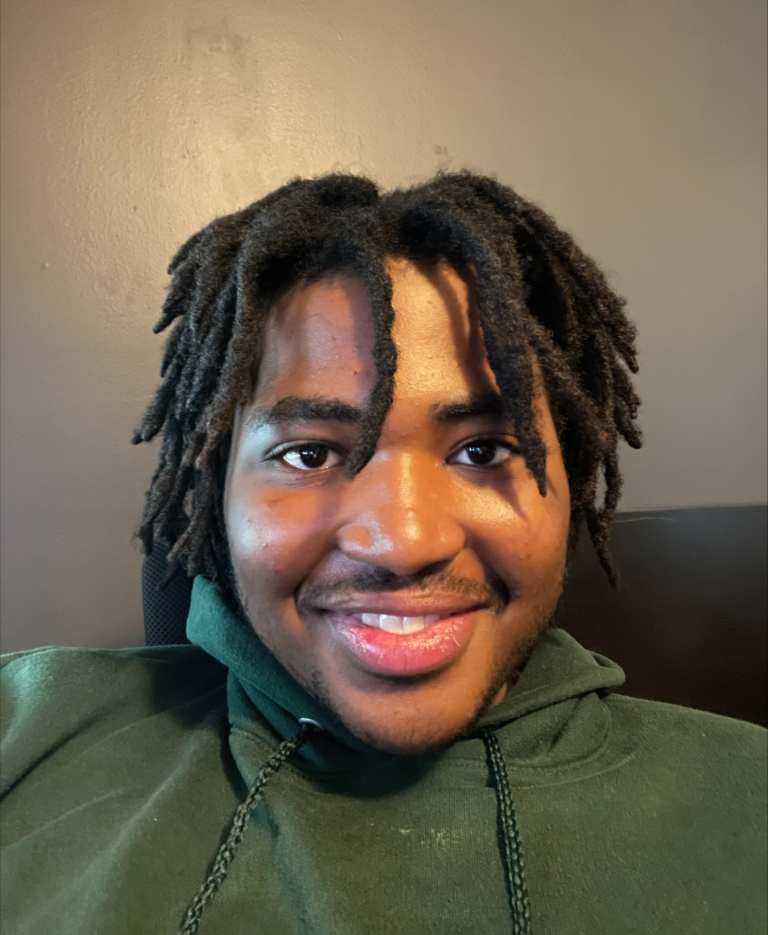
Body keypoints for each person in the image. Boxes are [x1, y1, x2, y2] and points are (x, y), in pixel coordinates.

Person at [1, 172, 765, 935]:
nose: (403, 543)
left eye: (484, 447)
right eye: (308, 454)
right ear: (216, 493)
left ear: (571, 481)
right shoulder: (24, 730)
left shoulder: (745, 797)